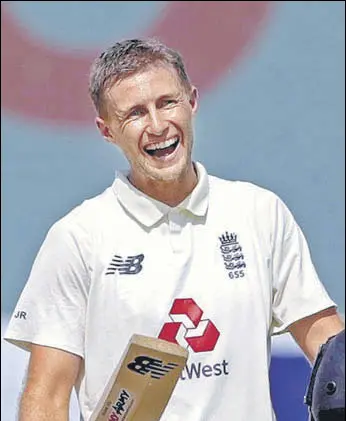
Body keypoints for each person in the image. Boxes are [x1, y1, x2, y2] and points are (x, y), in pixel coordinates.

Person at [4, 38, 344, 421]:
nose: (157, 125)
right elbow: (46, 397)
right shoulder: (79, 238)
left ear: (192, 101)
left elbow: (330, 349)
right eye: (134, 113)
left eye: (167, 102)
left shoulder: (259, 212)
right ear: (107, 131)